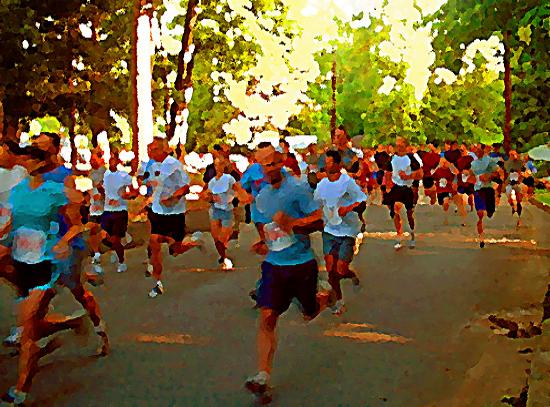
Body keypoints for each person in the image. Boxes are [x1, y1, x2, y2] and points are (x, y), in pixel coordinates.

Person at [0, 145, 89, 405]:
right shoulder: (18, 191)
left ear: (40, 163)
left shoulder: (54, 190)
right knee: (31, 326)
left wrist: (64, 241)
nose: (24, 162)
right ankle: (71, 323)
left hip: (45, 263)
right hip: (21, 262)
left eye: (29, 158)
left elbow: (78, 221)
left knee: (28, 331)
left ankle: (19, 391)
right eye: (23, 158)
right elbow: (10, 224)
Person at [245, 147, 330, 399]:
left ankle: (324, 299)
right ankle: (262, 376)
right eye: (264, 165)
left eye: (273, 163)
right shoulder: (262, 196)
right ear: (258, 167)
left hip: (301, 263)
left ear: (281, 162)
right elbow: (265, 227)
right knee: (267, 317)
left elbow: (319, 220)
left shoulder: (298, 188)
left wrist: (293, 223)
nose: (269, 169)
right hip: (274, 265)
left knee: (309, 313)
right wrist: (264, 243)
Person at [146, 137, 202, 298]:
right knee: (154, 241)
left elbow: (186, 187)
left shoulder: (174, 165)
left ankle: (194, 241)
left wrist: (172, 197)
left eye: (155, 149)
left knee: (175, 249)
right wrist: (149, 200)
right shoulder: (152, 166)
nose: (151, 152)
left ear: (164, 149)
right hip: (158, 212)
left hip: (175, 213)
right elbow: (156, 187)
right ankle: (158, 282)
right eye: (150, 149)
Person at [314, 150, 365, 315]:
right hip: (329, 230)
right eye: (325, 162)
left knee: (341, 269)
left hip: (347, 231)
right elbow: (315, 204)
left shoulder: (347, 182)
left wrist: (348, 208)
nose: (326, 165)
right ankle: (338, 301)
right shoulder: (322, 184)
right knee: (331, 270)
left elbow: (362, 199)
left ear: (337, 164)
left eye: (329, 162)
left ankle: (351, 275)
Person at [203, 156, 249, 270]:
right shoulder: (213, 181)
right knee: (216, 238)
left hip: (227, 210)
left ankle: (225, 256)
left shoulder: (229, 179)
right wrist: (210, 197)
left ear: (224, 165)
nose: (218, 167)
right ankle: (223, 257)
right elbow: (206, 194)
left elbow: (237, 189)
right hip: (215, 210)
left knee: (223, 238)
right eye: (216, 165)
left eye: (220, 164)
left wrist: (242, 197)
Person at [101, 153, 138, 273]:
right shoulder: (105, 174)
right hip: (107, 210)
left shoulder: (124, 176)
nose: (111, 162)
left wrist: (123, 196)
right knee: (105, 237)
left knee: (115, 239)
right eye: (110, 160)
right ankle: (118, 248)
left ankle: (122, 262)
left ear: (117, 162)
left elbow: (134, 192)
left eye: (113, 160)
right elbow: (101, 188)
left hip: (120, 211)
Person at [385, 137, 423, 250]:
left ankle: (412, 234)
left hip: (407, 188)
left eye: (401, 146)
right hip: (396, 187)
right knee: (395, 210)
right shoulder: (392, 158)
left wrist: (408, 176)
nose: (399, 148)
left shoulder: (410, 158)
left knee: (409, 214)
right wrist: (388, 185)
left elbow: (420, 174)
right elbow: (388, 172)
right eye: (397, 146)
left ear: (406, 146)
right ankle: (399, 235)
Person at [470, 144, 502, 248]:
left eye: (479, 150)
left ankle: (490, 211)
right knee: (480, 213)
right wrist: (477, 178)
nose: (477, 151)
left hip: (488, 189)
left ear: (483, 151)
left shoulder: (489, 161)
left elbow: (498, 173)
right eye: (476, 150)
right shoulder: (473, 164)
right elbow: (470, 177)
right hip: (478, 190)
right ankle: (481, 237)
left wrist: (489, 176)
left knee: (489, 213)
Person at [432, 158, 458, 225]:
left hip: (448, 189)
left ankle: (445, 217)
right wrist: (438, 181)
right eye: (442, 162)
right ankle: (446, 212)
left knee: (446, 202)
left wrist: (447, 181)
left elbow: (453, 180)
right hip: (439, 190)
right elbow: (433, 178)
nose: (443, 164)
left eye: (445, 162)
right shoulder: (438, 170)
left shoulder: (450, 171)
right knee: (441, 203)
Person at [504, 150, 525, 228]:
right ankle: (513, 206)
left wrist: (520, 177)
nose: (513, 156)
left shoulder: (520, 163)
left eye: (514, 154)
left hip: (518, 182)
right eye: (512, 155)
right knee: (509, 197)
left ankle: (519, 215)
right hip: (509, 182)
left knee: (519, 198)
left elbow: (523, 172)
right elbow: (505, 174)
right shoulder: (507, 163)